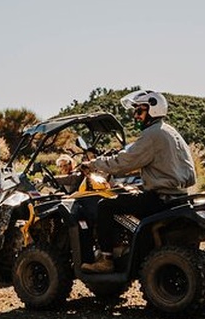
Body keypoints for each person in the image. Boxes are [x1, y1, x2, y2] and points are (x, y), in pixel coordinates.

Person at [79, 90, 196, 272]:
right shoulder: (170, 132)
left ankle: (106, 260)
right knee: (127, 195)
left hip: (159, 198)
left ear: (153, 110)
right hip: (178, 195)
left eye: (139, 111)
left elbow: (124, 162)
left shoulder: (152, 134)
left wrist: (94, 164)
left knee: (104, 206)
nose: (136, 116)